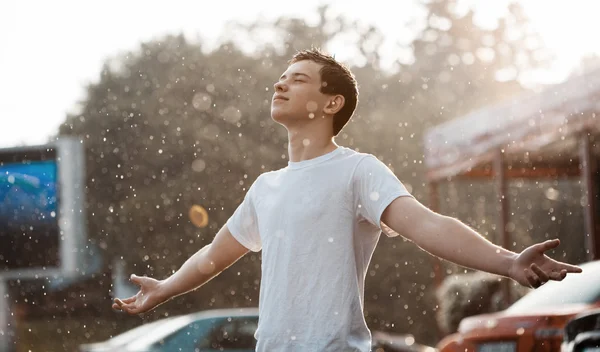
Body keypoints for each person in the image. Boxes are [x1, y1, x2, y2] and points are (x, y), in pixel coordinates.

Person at [113, 48, 582, 351]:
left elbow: (428, 224)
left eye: (297, 79)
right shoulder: (266, 188)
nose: (279, 84)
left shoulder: (358, 171)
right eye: (280, 77)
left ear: (331, 103)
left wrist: (508, 263)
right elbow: (213, 258)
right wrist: (165, 288)